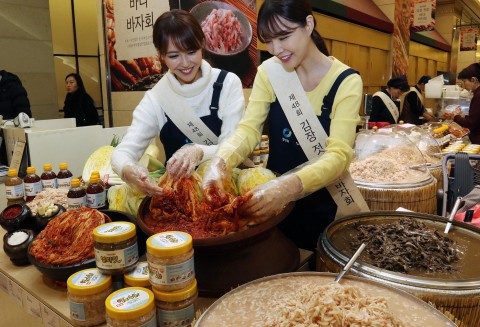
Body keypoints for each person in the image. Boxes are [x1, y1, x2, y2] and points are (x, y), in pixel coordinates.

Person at [201, 0, 367, 251]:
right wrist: (220, 163)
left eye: (284, 37)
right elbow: (249, 129)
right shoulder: (270, 72)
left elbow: (339, 156)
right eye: (268, 40)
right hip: (271, 207)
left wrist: (287, 187)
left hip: (322, 206)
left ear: (308, 25)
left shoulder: (346, 81)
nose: (276, 49)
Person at [111, 9, 245, 195]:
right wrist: (128, 170)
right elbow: (122, 152)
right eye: (174, 56)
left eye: (191, 52)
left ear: (202, 45)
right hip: (179, 199)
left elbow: (234, 146)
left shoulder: (227, 83)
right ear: (161, 55)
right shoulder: (156, 98)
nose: (185, 63)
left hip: (224, 190)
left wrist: (198, 152)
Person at [451, 63, 480, 144]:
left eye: (464, 81)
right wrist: (464, 116)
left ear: (473, 80)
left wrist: (455, 117)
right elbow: (476, 119)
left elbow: (471, 124)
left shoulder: (478, 95)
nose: (464, 85)